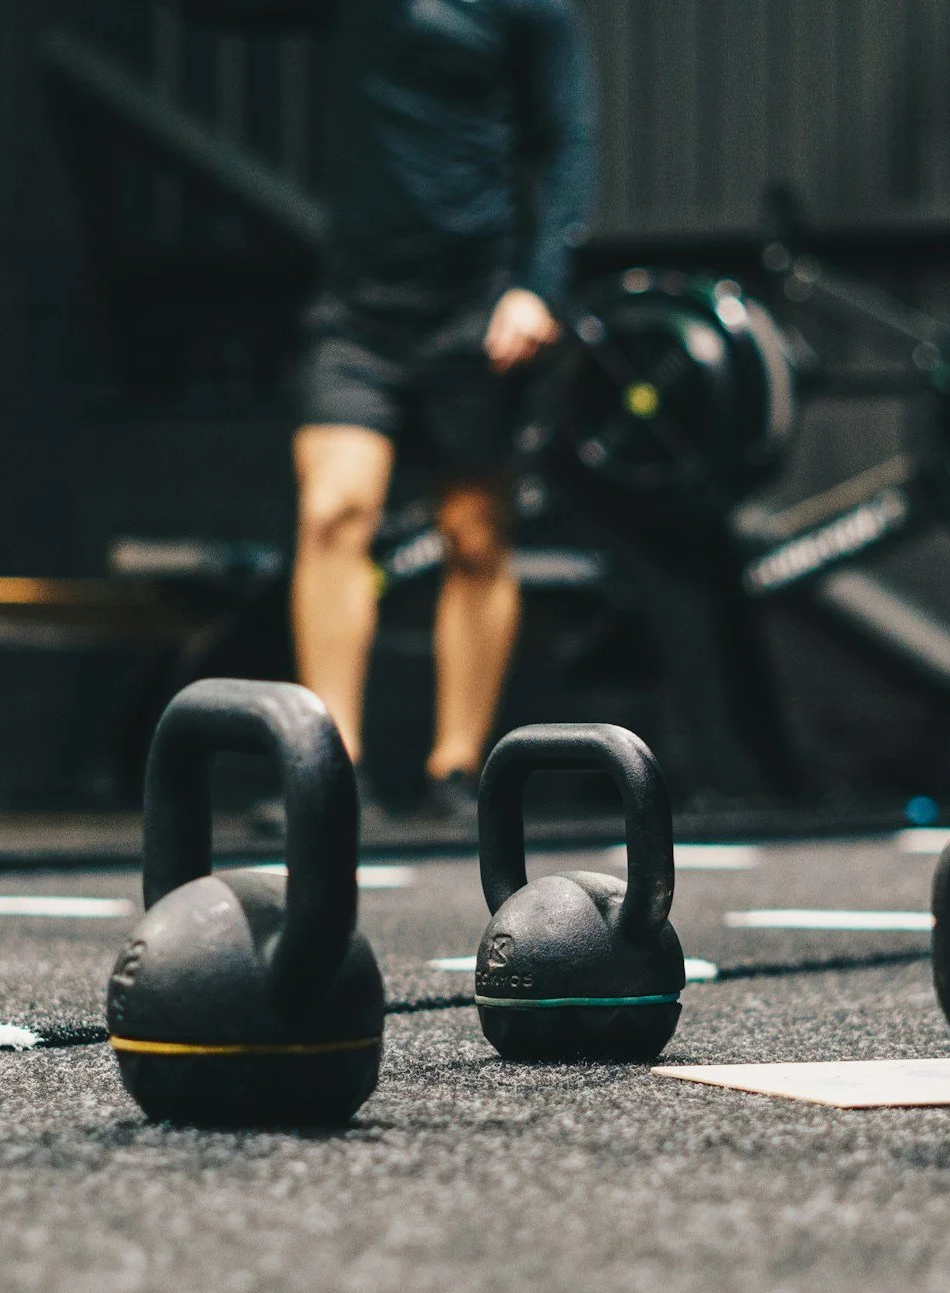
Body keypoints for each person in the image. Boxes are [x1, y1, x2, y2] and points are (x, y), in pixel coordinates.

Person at [284, 0, 595, 820]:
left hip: (476, 301)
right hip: (356, 302)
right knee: (332, 511)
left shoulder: (533, 10)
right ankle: (330, 771)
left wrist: (538, 288)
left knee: (475, 534)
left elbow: (566, 144)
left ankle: (455, 771)